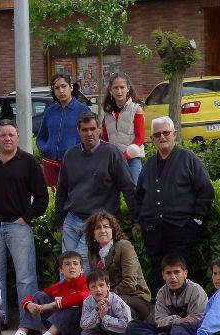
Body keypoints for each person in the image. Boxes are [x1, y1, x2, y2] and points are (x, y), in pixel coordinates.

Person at [0, 119, 48, 324]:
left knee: (26, 278)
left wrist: (25, 218)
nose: (7, 138)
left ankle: (29, 322)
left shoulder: (28, 162)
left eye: (11, 134)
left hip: (18, 227)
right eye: (3, 135)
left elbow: (42, 197)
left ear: (17, 137)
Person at [135, 116, 214, 293]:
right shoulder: (148, 164)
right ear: (152, 138)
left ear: (174, 134)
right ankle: (163, 308)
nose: (162, 137)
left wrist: (196, 220)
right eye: (157, 134)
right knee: (159, 271)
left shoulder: (188, 159)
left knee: (181, 271)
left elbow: (206, 190)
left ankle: (185, 308)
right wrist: (141, 220)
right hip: (154, 230)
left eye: (166, 132)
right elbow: (138, 195)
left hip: (182, 228)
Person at [56, 112, 136, 275]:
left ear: (100, 129)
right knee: (66, 269)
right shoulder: (70, 155)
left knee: (80, 269)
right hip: (72, 220)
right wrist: (59, 222)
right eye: (85, 130)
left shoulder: (112, 153)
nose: (89, 133)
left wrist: (137, 219)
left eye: (93, 129)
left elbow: (128, 188)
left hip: (96, 223)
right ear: (78, 131)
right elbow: (62, 190)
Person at [0, 251, 89, 335]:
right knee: (39, 296)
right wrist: (29, 304)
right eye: (67, 264)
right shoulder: (58, 288)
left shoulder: (88, 284)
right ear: (61, 270)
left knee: (72, 306)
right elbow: (32, 297)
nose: (72, 266)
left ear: (81, 269)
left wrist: (52, 305)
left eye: (75, 263)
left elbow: (81, 297)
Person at [125, 254, 207, 335]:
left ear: (185, 273)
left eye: (177, 272)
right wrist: (177, 320)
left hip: (187, 332)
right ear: (163, 275)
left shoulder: (196, 291)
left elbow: (196, 320)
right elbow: (159, 321)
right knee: (132, 325)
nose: (173, 277)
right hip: (168, 328)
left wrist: (176, 323)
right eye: (168, 273)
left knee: (177, 331)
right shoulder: (162, 292)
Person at [83, 210, 151, 321]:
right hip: (107, 297)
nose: (102, 230)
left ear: (112, 230)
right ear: (92, 233)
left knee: (117, 308)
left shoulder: (123, 246)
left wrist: (107, 296)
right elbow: (95, 282)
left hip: (135, 298)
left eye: (106, 226)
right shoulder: (92, 253)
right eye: (98, 228)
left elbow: (129, 283)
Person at [36, 73, 89, 187]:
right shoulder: (50, 112)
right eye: (56, 88)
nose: (61, 90)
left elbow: (91, 139)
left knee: (73, 196)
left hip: (74, 165)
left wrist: (77, 154)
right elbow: (40, 138)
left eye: (63, 86)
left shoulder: (83, 110)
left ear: (71, 87)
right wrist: (46, 148)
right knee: (52, 196)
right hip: (50, 165)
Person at [100, 72, 145, 184]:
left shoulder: (136, 109)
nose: (119, 91)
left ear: (128, 88)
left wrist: (126, 156)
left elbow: (140, 137)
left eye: (122, 87)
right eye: (115, 88)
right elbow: (105, 139)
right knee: (110, 192)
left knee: (133, 190)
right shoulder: (107, 113)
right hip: (113, 161)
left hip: (132, 159)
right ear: (110, 90)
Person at [80, 269, 132, 335]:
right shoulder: (87, 302)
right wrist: (97, 312)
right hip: (103, 334)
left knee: (131, 334)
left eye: (101, 285)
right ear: (89, 289)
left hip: (119, 332)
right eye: (93, 287)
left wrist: (104, 318)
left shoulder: (116, 301)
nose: (98, 289)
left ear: (108, 286)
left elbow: (126, 325)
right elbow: (84, 324)